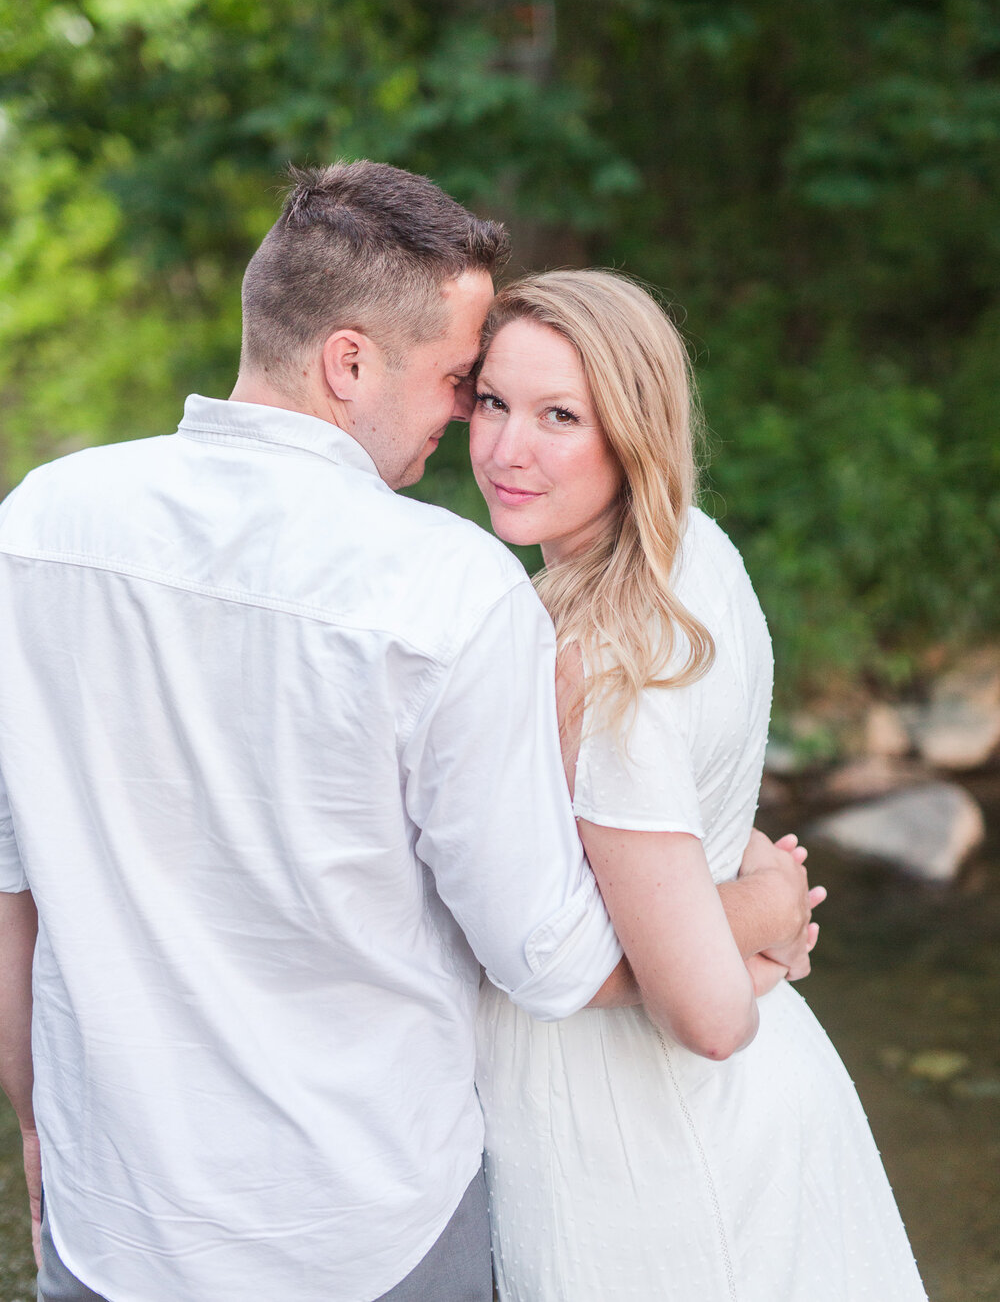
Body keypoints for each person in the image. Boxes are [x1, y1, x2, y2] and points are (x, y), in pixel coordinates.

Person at [0, 164, 816, 1302]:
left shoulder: (36, 524)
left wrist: (39, 1121)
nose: (465, 422)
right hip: (364, 1234)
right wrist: (752, 910)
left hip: (114, 1226)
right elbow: (547, 954)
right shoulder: (451, 590)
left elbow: (16, 887)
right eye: (460, 384)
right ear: (347, 362)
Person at [472, 270, 928, 1302]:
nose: (506, 448)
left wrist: (733, 938)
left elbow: (709, 1015)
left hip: (647, 1141)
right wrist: (751, 903)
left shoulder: (616, 651)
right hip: (737, 1109)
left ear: (632, 431)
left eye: (558, 416)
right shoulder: (691, 555)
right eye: (493, 402)